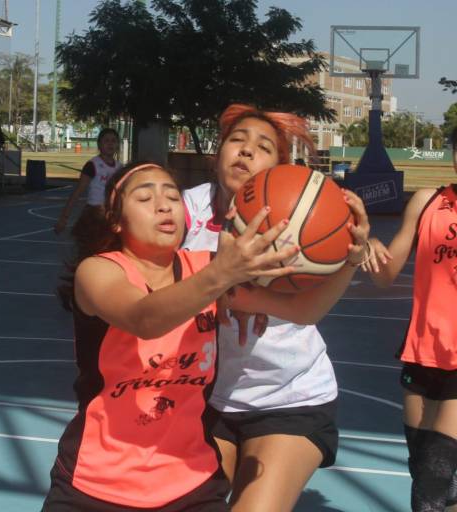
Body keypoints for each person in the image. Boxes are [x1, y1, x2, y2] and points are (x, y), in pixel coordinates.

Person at [44, 162, 370, 511]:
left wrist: (349, 258)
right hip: (97, 482)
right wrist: (223, 273)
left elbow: (304, 311)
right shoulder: (99, 271)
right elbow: (144, 318)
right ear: (116, 219)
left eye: (171, 195)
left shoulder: (205, 267)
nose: (164, 204)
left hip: (189, 482)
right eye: (145, 197)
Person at [181, 103, 378, 511]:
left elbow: (308, 311)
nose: (246, 150)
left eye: (263, 146)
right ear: (218, 153)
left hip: (289, 397)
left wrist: (353, 252)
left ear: (281, 168)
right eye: (237, 140)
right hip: (204, 399)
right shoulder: (185, 211)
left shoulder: (300, 216)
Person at [365, 125, 457, 511]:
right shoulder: (427, 202)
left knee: (431, 490)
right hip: (422, 353)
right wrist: (366, 246)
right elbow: (385, 275)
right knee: (429, 475)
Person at [54, 128, 121, 235]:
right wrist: (64, 218)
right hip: (95, 213)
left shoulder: (119, 167)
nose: (110, 144)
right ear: (99, 144)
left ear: (117, 144)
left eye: (113, 141)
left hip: (112, 215)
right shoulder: (92, 165)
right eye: (106, 141)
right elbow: (78, 192)